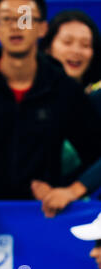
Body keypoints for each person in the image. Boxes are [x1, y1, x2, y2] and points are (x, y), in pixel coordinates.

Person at [0, 0, 101, 237]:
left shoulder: (63, 89)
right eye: (7, 18)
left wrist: (68, 190)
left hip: (45, 223)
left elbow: (95, 153)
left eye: (25, 18)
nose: (16, 26)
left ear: (42, 28)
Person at [36, 10, 101, 182]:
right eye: (67, 42)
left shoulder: (97, 99)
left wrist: (77, 190)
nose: (76, 51)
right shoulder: (29, 99)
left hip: (86, 204)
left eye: (86, 45)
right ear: (48, 47)